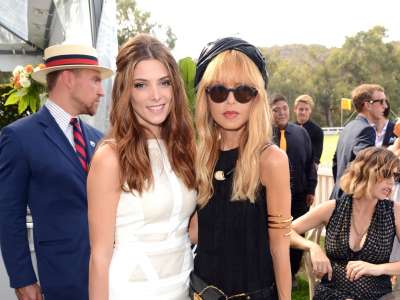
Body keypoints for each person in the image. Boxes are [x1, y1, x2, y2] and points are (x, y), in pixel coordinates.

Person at [87, 34, 197, 300]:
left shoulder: (184, 149)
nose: (156, 96)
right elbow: (99, 258)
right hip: (131, 290)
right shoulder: (111, 157)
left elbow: (189, 230)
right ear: (126, 91)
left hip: (183, 286)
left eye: (164, 83)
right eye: (141, 85)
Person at [0, 44, 113, 300]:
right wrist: (23, 279)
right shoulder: (19, 137)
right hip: (62, 280)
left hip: (111, 277)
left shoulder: (100, 140)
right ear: (68, 78)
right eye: (95, 80)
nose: (101, 91)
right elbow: (9, 215)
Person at [189, 37, 292, 300]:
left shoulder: (271, 160)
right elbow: (195, 231)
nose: (231, 101)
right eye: (219, 92)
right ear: (206, 98)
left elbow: (280, 245)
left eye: (243, 92)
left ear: (256, 99)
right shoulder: (198, 157)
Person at [290, 146, 400, 300]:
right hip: (332, 294)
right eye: (387, 175)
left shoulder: (394, 212)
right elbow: (286, 231)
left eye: (395, 176)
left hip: (376, 296)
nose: (392, 183)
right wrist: (313, 247)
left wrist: (377, 268)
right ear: (367, 172)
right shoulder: (332, 208)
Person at [270, 94, 317, 286]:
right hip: (271, 196)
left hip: (298, 196)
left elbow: (309, 163)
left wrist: (311, 189)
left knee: (297, 234)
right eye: (276, 109)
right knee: (274, 234)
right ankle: (273, 272)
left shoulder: (300, 133)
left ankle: (292, 272)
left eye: (284, 108)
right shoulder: (263, 134)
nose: (281, 112)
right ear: (269, 112)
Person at [331, 83, 387, 199]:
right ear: (367, 105)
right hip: (352, 202)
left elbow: (335, 163)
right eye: (381, 101)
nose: (385, 106)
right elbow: (369, 165)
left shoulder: (348, 127)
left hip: (338, 196)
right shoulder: (366, 130)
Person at [293, 94, 324, 166]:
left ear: (310, 111)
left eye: (306, 109)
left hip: (308, 173)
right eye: (301, 109)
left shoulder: (317, 131)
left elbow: (316, 159)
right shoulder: (289, 129)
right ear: (295, 109)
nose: (303, 112)